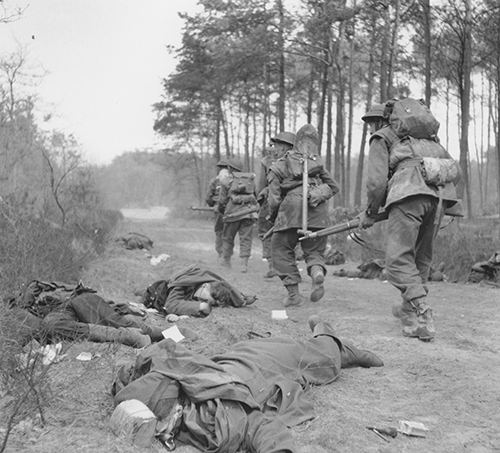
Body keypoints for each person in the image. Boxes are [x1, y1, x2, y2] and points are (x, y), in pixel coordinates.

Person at [112, 315, 383, 452]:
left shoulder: (216, 411)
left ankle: (330, 336)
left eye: (161, 424)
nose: (161, 430)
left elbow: (265, 428)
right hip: (240, 360)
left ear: (177, 409)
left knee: (321, 358)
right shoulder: (168, 390)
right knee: (303, 355)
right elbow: (131, 377)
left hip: (265, 363)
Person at [359, 101, 460, 342]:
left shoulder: (381, 138)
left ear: (383, 120)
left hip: (408, 194)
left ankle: (422, 311)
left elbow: (376, 183)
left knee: (396, 260)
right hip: (439, 200)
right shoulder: (429, 141)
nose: (371, 128)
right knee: (420, 257)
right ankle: (409, 311)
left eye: (372, 122)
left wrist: (370, 212)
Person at [267, 124, 339, 306]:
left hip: (290, 212)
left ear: (287, 147)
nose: (274, 149)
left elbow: (274, 200)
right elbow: (334, 187)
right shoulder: (317, 163)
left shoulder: (278, 165)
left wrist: (274, 218)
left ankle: (293, 295)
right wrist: (318, 193)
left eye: (276, 146)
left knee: (280, 249)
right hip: (318, 213)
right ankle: (317, 272)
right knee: (314, 251)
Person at [141, 264, 257, 317]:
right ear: (205, 286)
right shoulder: (184, 283)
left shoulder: (212, 283)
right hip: (157, 292)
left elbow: (226, 286)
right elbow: (171, 305)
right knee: (141, 292)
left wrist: (242, 299)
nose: (201, 300)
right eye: (203, 299)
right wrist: (199, 306)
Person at [256, 131, 296, 279]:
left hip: (273, 200)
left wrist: (261, 200)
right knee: (291, 234)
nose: (275, 148)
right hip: (293, 203)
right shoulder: (300, 161)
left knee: (266, 231)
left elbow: (261, 185)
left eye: (277, 145)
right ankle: (290, 267)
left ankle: (273, 265)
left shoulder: (267, 162)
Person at [217, 159, 258, 272]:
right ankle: (244, 265)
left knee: (227, 238)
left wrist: (222, 211)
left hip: (232, 214)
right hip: (249, 213)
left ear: (230, 168)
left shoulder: (226, 180)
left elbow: (222, 200)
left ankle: (226, 260)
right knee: (246, 239)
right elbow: (256, 196)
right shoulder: (250, 179)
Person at [205, 159, 241, 261]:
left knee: (219, 232)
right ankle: (227, 255)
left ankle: (221, 253)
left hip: (219, 209)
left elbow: (208, 197)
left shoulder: (215, 181)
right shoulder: (237, 180)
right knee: (229, 233)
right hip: (233, 209)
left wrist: (213, 204)